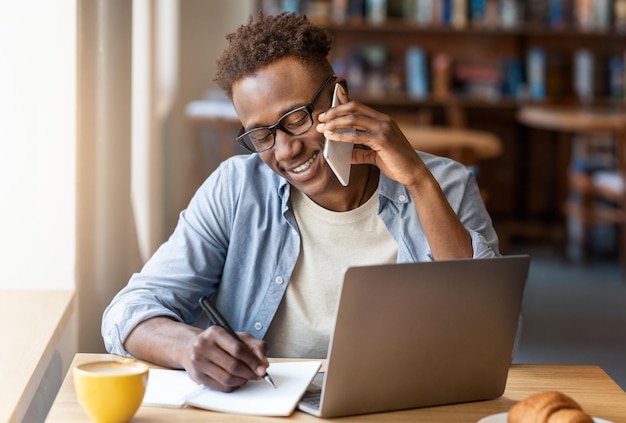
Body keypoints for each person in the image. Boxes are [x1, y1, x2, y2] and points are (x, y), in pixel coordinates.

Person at [102, 12, 499, 393]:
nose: (286, 149)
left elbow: (487, 335)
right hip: (273, 406)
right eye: (261, 135)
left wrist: (416, 180)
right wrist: (188, 346)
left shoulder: (443, 183)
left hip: (406, 404)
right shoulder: (237, 189)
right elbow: (127, 313)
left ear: (340, 96)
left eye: (295, 118)